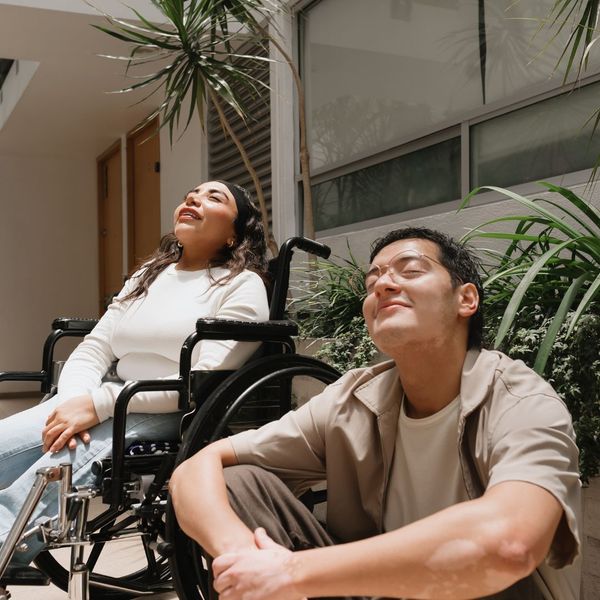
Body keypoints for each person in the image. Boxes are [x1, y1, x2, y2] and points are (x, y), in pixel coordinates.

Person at [170, 226, 582, 600]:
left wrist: (290, 572)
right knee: (238, 483)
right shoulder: (353, 399)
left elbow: (509, 545)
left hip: (486, 592)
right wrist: (246, 560)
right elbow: (197, 468)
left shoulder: (520, 400)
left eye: (411, 269)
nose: (384, 284)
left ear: (466, 298)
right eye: (372, 281)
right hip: (374, 592)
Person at [0, 180, 270, 565]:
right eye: (192, 193)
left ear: (234, 234)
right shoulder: (149, 275)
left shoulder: (242, 286)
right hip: (106, 399)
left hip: (175, 411)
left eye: (215, 197)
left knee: (60, 462)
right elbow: (96, 346)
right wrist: (75, 399)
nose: (194, 198)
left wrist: (100, 404)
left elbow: (203, 380)